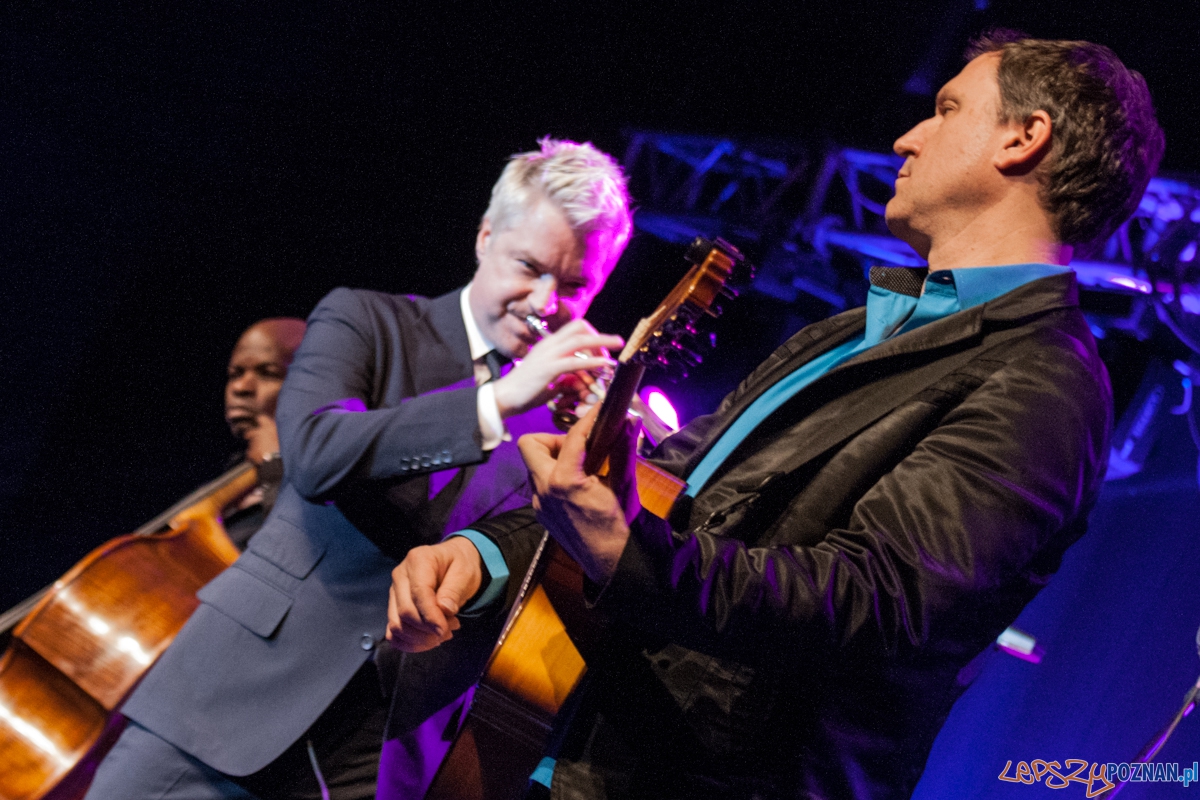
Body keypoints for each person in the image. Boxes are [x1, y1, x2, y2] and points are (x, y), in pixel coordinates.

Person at [386, 33, 1164, 799]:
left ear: (1023, 140)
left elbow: (872, 603)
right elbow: (662, 485)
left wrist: (629, 553)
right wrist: (484, 555)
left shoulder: (1045, 383)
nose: (907, 135)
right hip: (593, 750)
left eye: (947, 108)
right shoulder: (849, 330)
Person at [84, 138, 632, 800]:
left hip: (381, 753)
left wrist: (603, 460)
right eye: (529, 266)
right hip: (227, 702)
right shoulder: (368, 320)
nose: (547, 301)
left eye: (576, 285)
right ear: (485, 237)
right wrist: (500, 400)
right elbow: (314, 455)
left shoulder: (562, 424)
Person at [221, 317, 308, 549]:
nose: (240, 387)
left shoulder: (332, 476)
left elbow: (300, 551)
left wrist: (274, 465)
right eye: (235, 373)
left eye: (268, 373)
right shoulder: (232, 474)